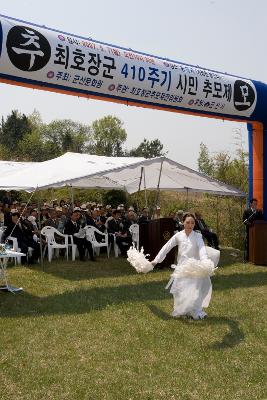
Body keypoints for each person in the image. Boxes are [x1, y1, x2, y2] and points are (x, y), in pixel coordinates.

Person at [151, 213, 218, 320]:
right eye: (188, 222)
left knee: (194, 291)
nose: (190, 225)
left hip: (194, 268)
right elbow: (166, 247)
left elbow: (202, 249)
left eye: (192, 223)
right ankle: (181, 309)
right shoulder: (178, 235)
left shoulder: (198, 236)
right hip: (181, 268)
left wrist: (205, 261)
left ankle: (195, 310)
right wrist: (156, 260)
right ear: (183, 222)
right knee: (179, 290)